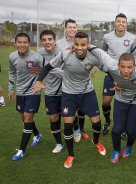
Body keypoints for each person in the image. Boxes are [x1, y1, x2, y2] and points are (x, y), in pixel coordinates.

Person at [33, 32, 106, 168]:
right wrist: (38, 80)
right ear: (73, 44)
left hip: (87, 93)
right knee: (68, 125)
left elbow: (108, 69)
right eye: (76, 44)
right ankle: (70, 155)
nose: (79, 47)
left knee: (97, 124)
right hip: (69, 94)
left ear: (88, 45)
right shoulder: (65, 54)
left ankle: (96, 142)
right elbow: (48, 67)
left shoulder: (94, 57)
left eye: (83, 44)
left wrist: (117, 81)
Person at [9, 33, 44, 160]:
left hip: (34, 92)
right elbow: (12, 73)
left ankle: (21, 151)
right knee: (24, 118)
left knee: (28, 118)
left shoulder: (37, 57)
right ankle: (37, 135)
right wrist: (10, 89)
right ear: (16, 43)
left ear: (29, 43)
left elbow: (47, 69)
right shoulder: (12, 56)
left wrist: (41, 80)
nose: (22, 44)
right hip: (20, 92)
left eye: (25, 42)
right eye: (19, 42)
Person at [101, 13, 136, 137]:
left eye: (123, 22)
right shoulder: (107, 37)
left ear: (126, 24)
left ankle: (124, 128)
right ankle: (107, 121)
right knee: (106, 101)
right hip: (110, 74)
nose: (121, 24)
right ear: (115, 23)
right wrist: (102, 67)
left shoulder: (132, 38)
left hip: (126, 75)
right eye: (119, 21)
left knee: (125, 102)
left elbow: (133, 55)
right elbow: (102, 52)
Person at [57, 18, 88, 141]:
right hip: (63, 79)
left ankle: (81, 129)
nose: (72, 29)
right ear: (65, 29)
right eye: (69, 27)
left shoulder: (82, 42)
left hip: (80, 79)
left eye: (74, 27)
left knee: (81, 107)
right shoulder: (58, 44)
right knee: (65, 106)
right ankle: (71, 127)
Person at [38, 30, 64, 153]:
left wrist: (46, 69)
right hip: (50, 91)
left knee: (69, 116)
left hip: (66, 90)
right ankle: (59, 143)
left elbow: (67, 71)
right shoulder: (38, 54)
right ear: (41, 42)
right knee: (54, 117)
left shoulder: (63, 52)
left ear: (54, 40)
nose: (47, 42)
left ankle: (76, 127)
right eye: (44, 40)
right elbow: (46, 70)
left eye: (50, 39)